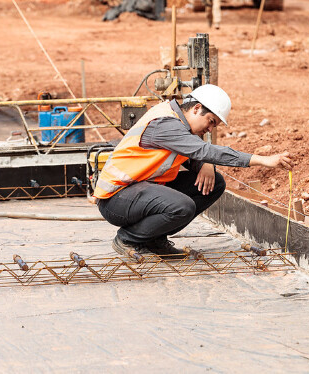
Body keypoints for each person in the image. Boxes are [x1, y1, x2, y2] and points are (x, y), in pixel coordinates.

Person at [93, 84, 293, 259]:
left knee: (215, 183)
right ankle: (128, 239)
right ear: (197, 108)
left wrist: (206, 164)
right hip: (116, 199)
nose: (209, 129)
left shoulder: (179, 124)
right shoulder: (166, 124)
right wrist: (262, 160)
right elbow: (204, 150)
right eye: (211, 121)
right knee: (182, 206)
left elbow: (197, 152)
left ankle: (154, 240)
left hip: (140, 191)